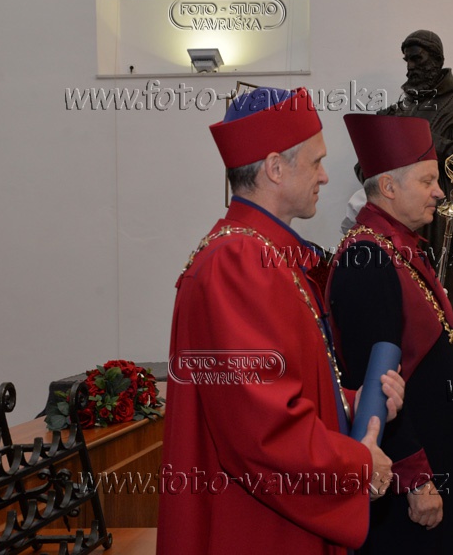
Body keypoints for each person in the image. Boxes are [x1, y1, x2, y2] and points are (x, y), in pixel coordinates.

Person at [157, 87, 405, 555]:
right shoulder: (238, 261)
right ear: (274, 168)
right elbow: (262, 430)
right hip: (256, 526)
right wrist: (357, 465)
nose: (325, 176)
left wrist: (354, 404)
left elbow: (287, 382)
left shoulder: (264, 253)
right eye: (316, 162)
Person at [328, 113, 453, 555]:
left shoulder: (400, 248)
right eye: (427, 181)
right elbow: (374, 389)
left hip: (439, 452)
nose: (440, 191)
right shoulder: (366, 259)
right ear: (388, 186)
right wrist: (415, 479)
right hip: (411, 474)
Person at [378, 29, 453, 425]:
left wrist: (420, 136)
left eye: (418, 59)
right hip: (399, 233)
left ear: (436, 59)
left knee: (451, 320)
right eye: (407, 60)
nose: (411, 67)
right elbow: (372, 173)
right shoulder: (400, 110)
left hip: (444, 233)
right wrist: (379, 141)